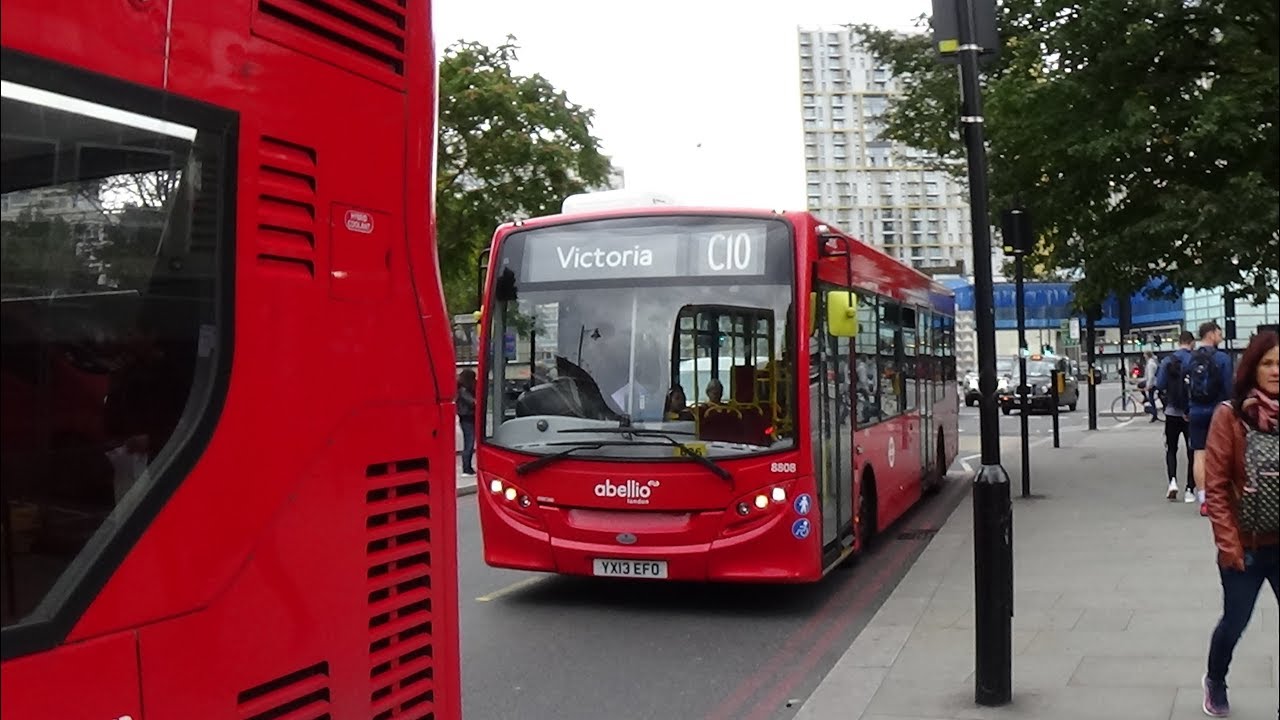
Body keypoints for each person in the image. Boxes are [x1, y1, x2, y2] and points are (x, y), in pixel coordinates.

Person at [1200, 330, 1279, 718]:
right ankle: (1215, 678)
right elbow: (1214, 487)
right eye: (1267, 363)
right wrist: (1230, 547)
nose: (1276, 371)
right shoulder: (1229, 416)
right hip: (1245, 544)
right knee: (1235, 621)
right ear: (1252, 367)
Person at [1189, 321, 1235, 515]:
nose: (1221, 335)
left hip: (1196, 410)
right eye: (1219, 332)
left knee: (1199, 453)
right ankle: (1223, 496)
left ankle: (1204, 500)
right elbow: (1228, 388)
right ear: (1212, 334)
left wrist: (1187, 408)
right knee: (1222, 453)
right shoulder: (1222, 358)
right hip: (1218, 411)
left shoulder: (1190, 359)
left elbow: (1185, 387)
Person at [1155, 331, 1196, 502]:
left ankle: (1172, 481)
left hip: (1171, 412)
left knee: (1171, 449)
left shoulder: (1167, 360)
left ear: (1179, 342)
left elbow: (1160, 384)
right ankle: (1189, 489)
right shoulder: (1194, 359)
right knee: (1192, 452)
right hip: (1190, 413)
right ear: (1191, 342)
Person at [456, 369, 477, 477]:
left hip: (467, 417)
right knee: (469, 443)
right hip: (467, 418)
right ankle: (466, 468)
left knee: (469, 442)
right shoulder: (463, 390)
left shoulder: (462, 388)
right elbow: (472, 402)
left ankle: (468, 467)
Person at [1140, 350, 1160, 422]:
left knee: (1151, 400)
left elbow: (1151, 376)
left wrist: (1148, 386)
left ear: (1147, 355)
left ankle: (1154, 413)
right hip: (1152, 382)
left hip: (1152, 383)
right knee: (1151, 399)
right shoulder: (1151, 363)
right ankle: (1154, 414)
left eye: (1144, 355)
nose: (1144, 356)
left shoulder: (1150, 364)